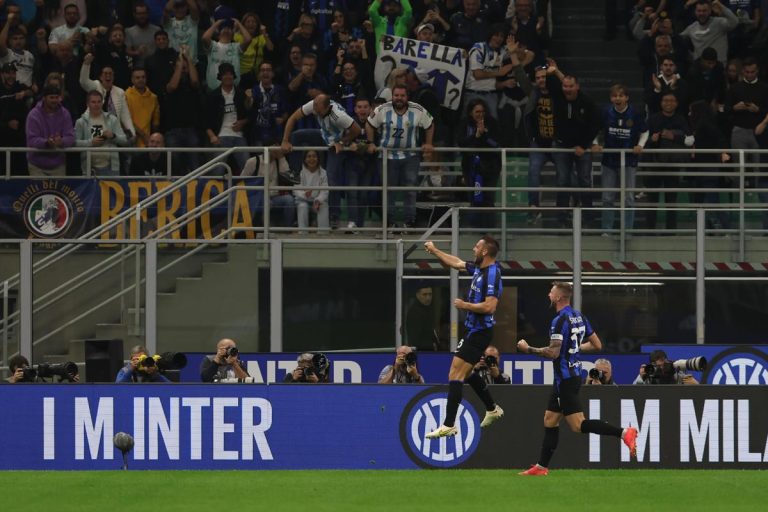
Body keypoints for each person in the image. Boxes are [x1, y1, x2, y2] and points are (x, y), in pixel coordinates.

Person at [516, 282, 638, 475]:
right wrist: (575, 348)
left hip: (566, 379)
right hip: (568, 377)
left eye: (551, 292)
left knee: (578, 425)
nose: (548, 294)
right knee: (550, 419)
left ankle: (624, 433)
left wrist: (528, 349)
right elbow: (597, 345)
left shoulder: (559, 320)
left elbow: (553, 353)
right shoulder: (579, 316)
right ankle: (541, 467)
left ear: (558, 297)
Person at [423, 235, 505, 439]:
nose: (473, 249)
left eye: (477, 246)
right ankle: (492, 408)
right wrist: (435, 251)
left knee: (455, 374)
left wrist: (464, 305)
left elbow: (490, 306)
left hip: (480, 332)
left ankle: (449, 424)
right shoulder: (479, 269)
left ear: (485, 251)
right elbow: (456, 263)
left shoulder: (492, 274)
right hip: (473, 330)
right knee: (466, 373)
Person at [281, 94, 361, 226]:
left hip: (335, 142)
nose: (314, 110)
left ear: (326, 107)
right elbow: (293, 117)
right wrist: (285, 141)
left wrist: (342, 141)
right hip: (323, 134)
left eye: (317, 109)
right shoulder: (314, 105)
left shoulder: (339, 116)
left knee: (331, 177)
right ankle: (294, 173)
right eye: (314, 106)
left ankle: (334, 216)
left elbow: (356, 130)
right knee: (296, 136)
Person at [366, 85, 434, 230]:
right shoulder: (382, 109)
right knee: (389, 190)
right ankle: (390, 223)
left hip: (410, 156)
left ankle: (410, 222)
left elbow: (430, 124)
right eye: (396, 95)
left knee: (410, 190)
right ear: (392, 96)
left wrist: (428, 143)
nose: (399, 98)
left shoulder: (417, 109)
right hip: (387, 157)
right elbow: (369, 124)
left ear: (407, 96)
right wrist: (371, 143)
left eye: (402, 95)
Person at [592, 84, 648, 234]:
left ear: (627, 98)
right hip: (609, 160)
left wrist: (640, 145)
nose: (618, 98)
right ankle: (607, 230)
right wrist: (596, 144)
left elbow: (645, 132)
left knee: (629, 198)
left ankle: (627, 230)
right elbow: (594, 130)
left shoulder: (635, 113)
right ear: (611, 98)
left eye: (621, 95)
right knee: (607, 197)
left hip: (629, 161)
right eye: (615, 96)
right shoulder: (605, 112)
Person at [204, 62, 249, 174]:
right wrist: (212, 136)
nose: (228, 77)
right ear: (220, 77)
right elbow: (205, 121)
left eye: (230, 74)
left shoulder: (241, 94)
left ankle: (248, 191)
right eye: (225, 74)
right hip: (221, 136)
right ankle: (215, 191)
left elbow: (250, 116)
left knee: (248, 167)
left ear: (234, 76)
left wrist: (243, 122)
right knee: (217, 170)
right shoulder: (213, 96)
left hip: (239, 136)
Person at [74, 89, 128, 175]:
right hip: (89, 168)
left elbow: (124, 140)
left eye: (99, 102)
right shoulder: (81, 122)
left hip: (111, 168)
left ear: (102, 103)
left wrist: (113, 136)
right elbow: (74, 143)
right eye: (93, 102)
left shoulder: (112, 119)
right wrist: (90, 142)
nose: (96, 105)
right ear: (87, 104)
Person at [25, 84, 75, 176]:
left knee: (57, 191)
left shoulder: (65, 114)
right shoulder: (33, 115)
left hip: (58, 165)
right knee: (40, 191)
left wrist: (61, 141)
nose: (54, 100)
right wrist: (46, 143)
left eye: (56, 97)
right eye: (51, 97)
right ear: (44, 98)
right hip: (37, 165)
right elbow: (31, 140)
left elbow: (71, 137)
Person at [293, 149, 330, 234]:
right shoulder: (300, 172)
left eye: (314, 156)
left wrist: (318, 200)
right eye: (309, 156)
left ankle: (323, 234)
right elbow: (296, 189)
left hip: (317, 200)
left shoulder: (323, 173)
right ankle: (303, 233)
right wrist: (304, 194)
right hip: (303, 200)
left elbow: (325, 191)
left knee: (323, 206)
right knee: (302, 206)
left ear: (318, 158)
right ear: (305, 159)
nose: (312, 159)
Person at [124, 67, 160, 148]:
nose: (141, 80)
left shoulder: (153, 98)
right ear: (132, 80)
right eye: (137, 77)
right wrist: (143, 135)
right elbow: (125, 121)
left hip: (147, 143)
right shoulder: (125, 95)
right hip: (130, 141)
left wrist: (153, 140)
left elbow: (155, 123)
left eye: (143, 77)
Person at [405, 286, 440, 351]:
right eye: (424, 294)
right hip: (422, 353)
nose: (428, 298)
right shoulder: (415, 312)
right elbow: (414, 339)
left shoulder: (428, 309)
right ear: (417, 295)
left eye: (430, 294)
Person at [633, 349, 699, 384]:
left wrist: (696, 385)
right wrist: (641, 377)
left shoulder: (675, 373)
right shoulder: (649, 375)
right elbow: (633, 391)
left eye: (664, 365)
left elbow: (696, 388)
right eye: (658, 366)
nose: (662, 368)